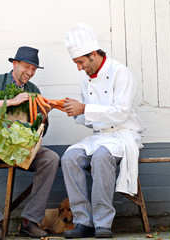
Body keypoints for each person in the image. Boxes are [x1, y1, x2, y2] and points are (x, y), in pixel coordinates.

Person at [61, 23, 146, 238]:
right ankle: (83, 221)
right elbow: (93, 122)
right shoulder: (86, 82)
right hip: (100, 137)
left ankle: (102, 222)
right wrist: (75, 112)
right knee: (69, 157)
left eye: (80, 62)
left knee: (101, 156)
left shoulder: (120, 73)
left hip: (123, 135)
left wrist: (85, 108)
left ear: (92, 55)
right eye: (76, 63)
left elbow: (121, 113)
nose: (79, 68)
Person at [0, 46, 60, 240]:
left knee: (51, 158)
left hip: (21, 148)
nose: (30, 73)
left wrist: (43, 117)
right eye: (27, 67)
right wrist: (11, 101)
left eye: (34, 69)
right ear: (14, 64)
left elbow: (40, 130)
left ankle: (29, 222)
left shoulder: (34, 91)